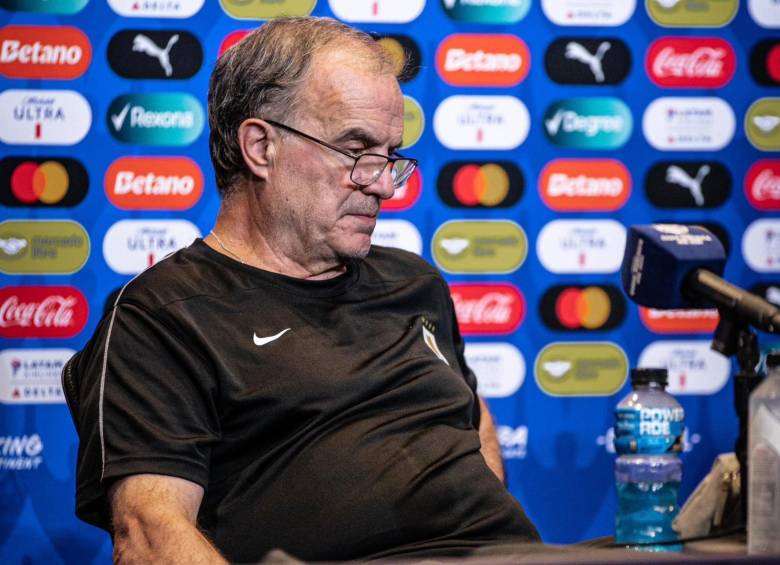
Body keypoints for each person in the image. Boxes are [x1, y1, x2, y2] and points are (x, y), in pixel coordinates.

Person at [65, 17, 540, 563]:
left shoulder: (416, 281)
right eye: (357, 149)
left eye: (390, 154)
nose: (384, 183)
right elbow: (150, 531)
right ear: (260, 147)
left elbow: (473, 418)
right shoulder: (163, 316)